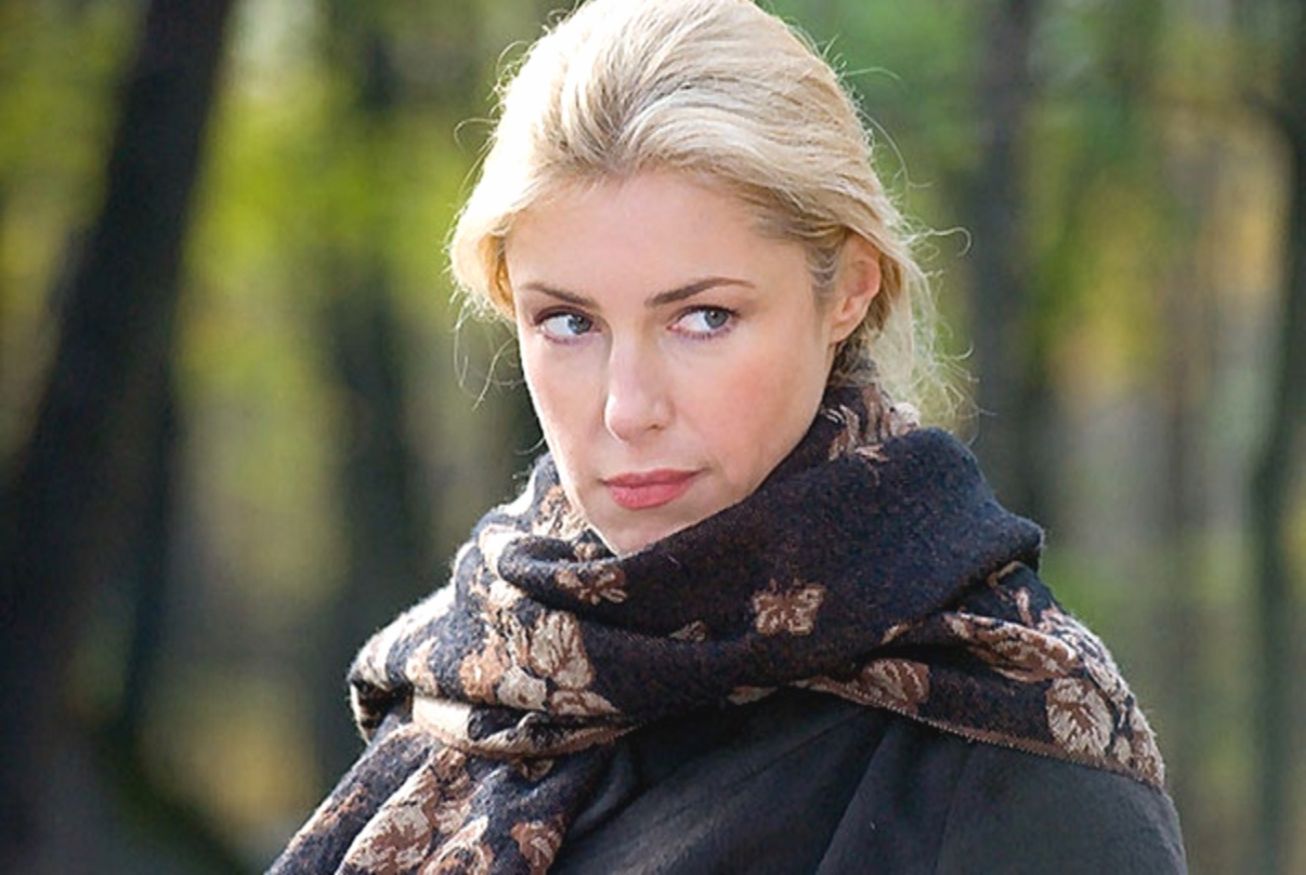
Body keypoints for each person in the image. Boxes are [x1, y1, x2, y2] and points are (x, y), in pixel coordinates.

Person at [270, 0, 1187, 871]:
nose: (627, 408)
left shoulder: (1015, 751)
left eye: (703, 317)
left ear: (849, 288)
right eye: (568, 322)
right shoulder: (462, 683)